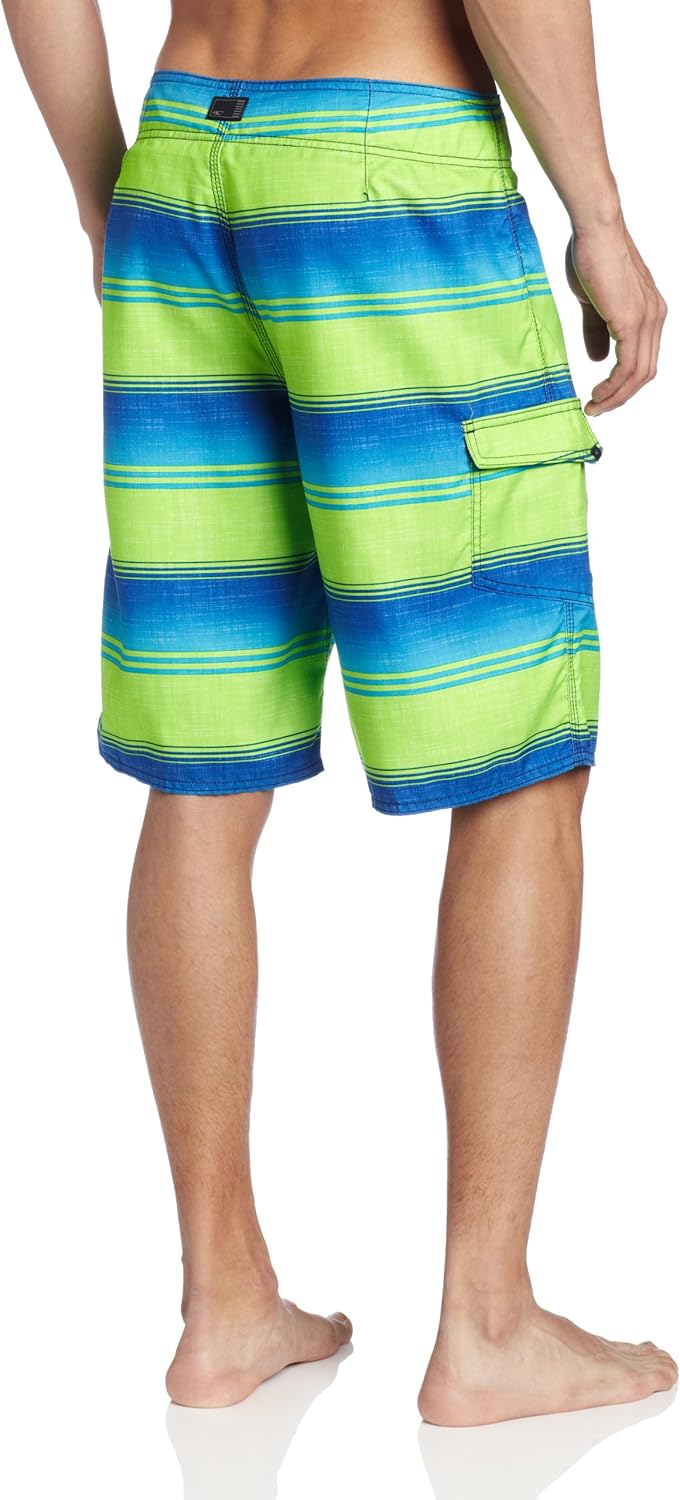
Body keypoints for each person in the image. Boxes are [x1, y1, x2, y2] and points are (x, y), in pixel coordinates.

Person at [2, 0, 674, 1426]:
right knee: (517, 757)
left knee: (201, 768)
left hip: (187, 163)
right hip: (390, 167)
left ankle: (223, 1305)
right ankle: (487, 1326)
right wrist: (601, 215)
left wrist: (104, 193)